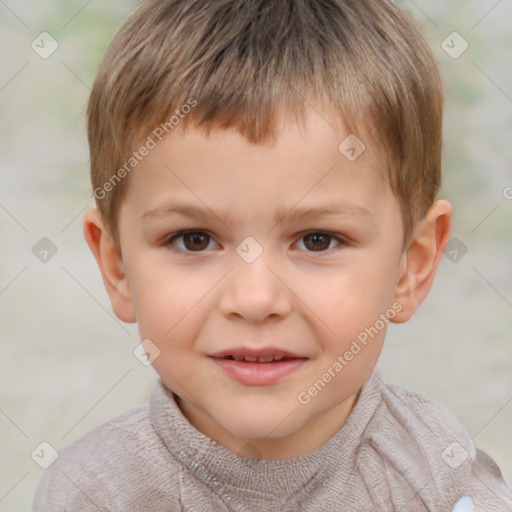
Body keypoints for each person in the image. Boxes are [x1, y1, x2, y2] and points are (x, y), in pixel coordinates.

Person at [32, 0, 512, 510]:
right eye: (194, 239)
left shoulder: (443, 479)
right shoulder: (90, 493)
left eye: (317, 240)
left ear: (410, 267)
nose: (255, 299)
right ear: (118, 267)